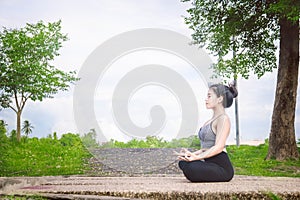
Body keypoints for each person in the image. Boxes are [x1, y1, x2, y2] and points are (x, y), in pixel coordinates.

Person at [176, 83, 238, 182]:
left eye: (209, 96)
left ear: (220, 99)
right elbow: (205, 149)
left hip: (222, 168)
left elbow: (219, 147)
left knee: (192, 168)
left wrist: (196, 158)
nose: (206, 99)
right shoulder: (209, 122)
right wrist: (190, 155)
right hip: (209, 163)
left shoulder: (223, 119)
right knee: (183, 162)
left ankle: (198, 173)